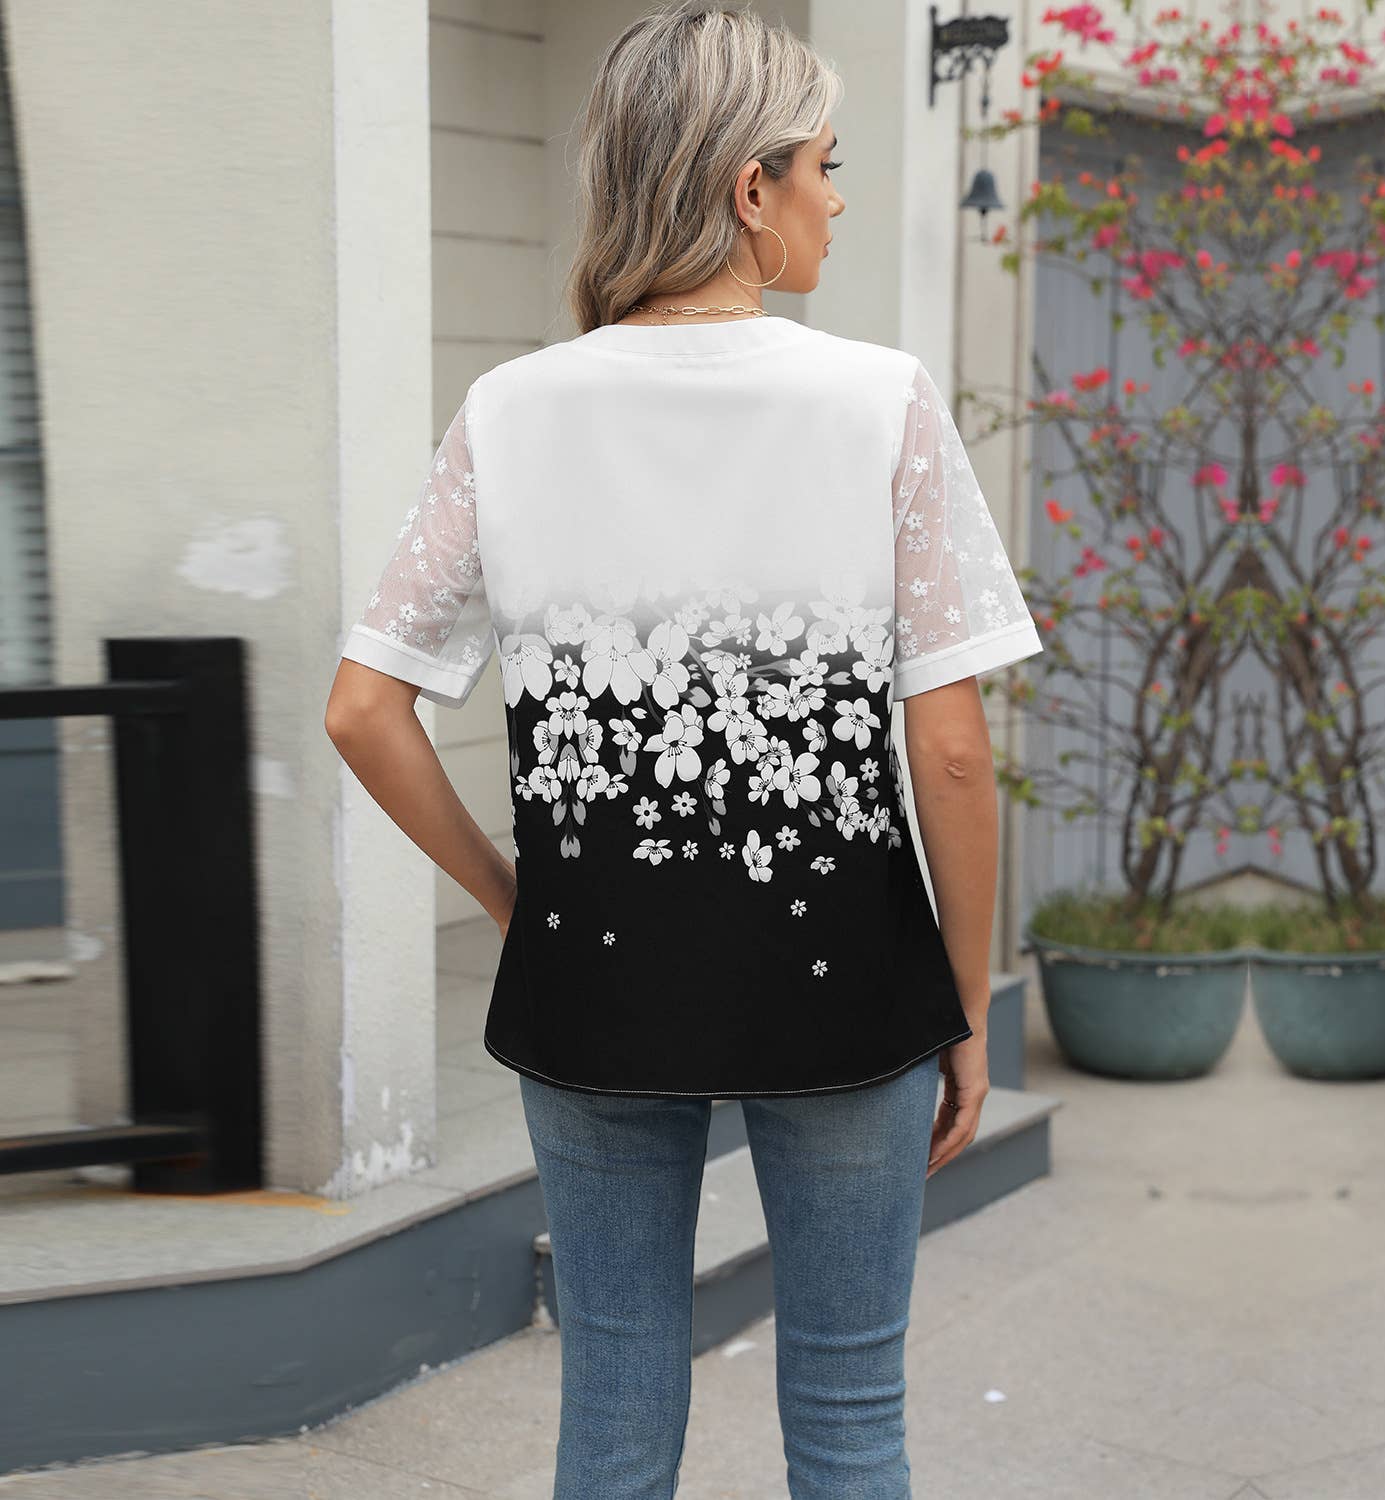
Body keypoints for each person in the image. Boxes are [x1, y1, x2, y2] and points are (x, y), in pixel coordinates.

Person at [324, 3, 1043, 1493]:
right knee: (849, 1409)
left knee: (612, 1403)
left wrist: (512, 899)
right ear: (748, 186)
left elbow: (363, 708)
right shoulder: (881, 402)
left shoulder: (509, 410)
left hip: (592, 989)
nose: (838, 198)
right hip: (852, 986)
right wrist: (965, 1003)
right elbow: (955, 755)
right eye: (824, 166)